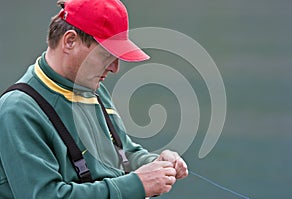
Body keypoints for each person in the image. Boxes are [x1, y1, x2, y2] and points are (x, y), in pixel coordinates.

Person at [0, 0, 188, 198]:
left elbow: (122, 154)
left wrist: (156, 164)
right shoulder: (17, 111)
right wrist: (138, 184)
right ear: (70, 41)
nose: (115, 68)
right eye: (107, 55)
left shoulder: (93, 88)